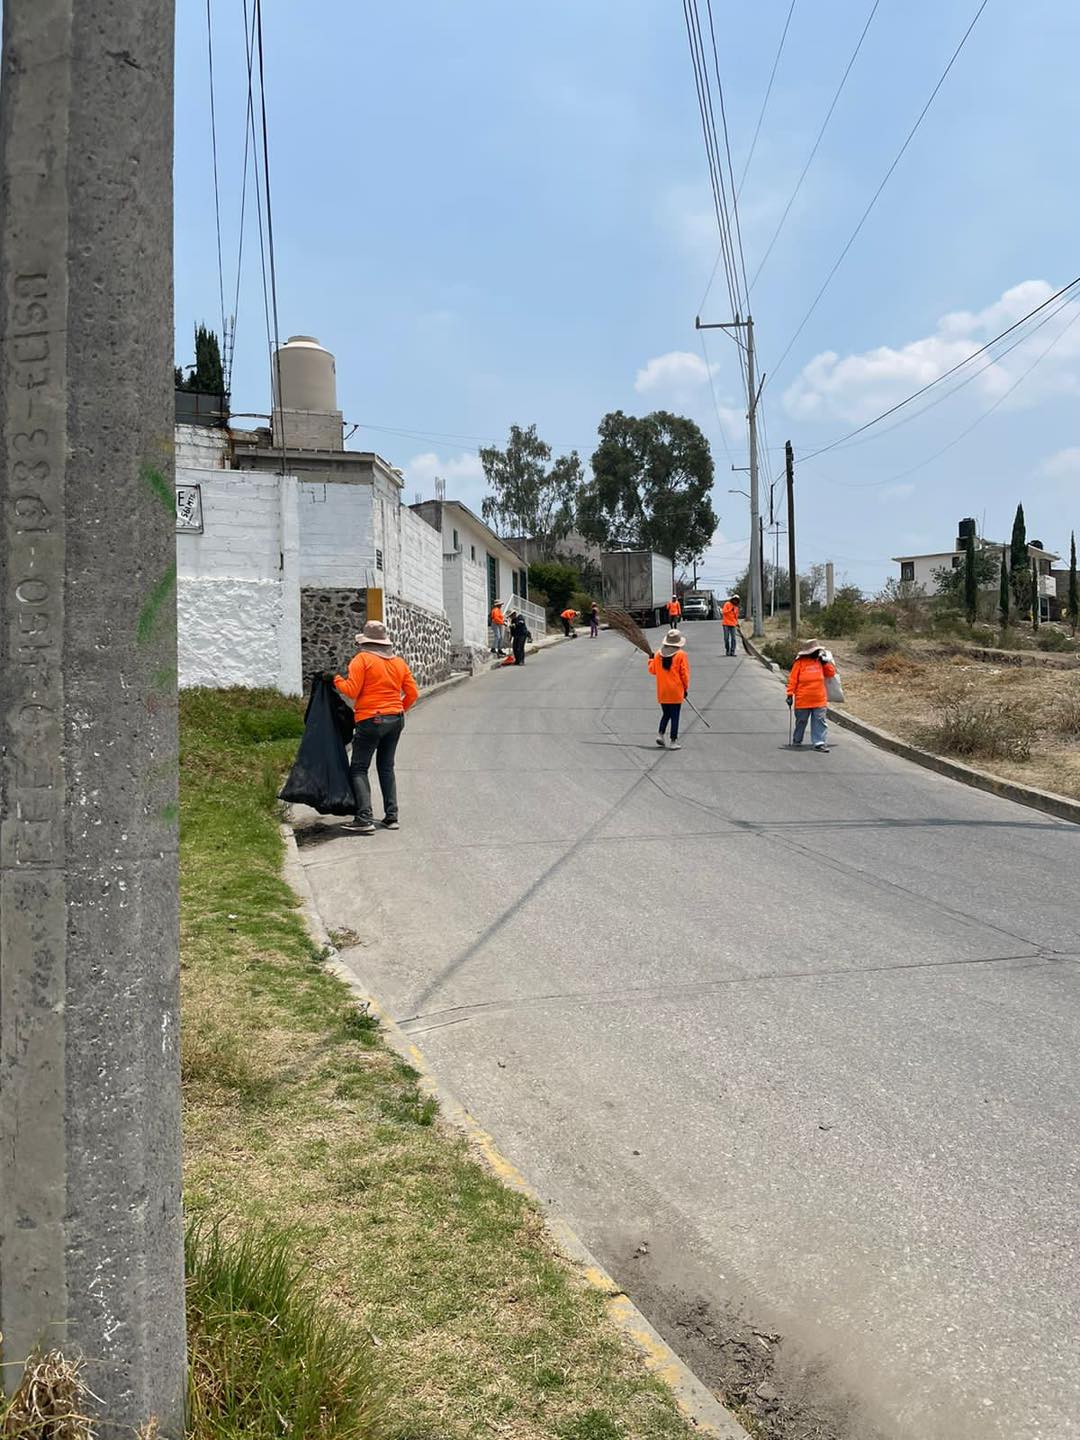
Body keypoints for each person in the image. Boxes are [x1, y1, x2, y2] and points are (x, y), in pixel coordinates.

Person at [333, 621, 419, 834]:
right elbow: (413, 693)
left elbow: (351, 691)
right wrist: (399, 709)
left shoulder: (361, 660)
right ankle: (391, 816)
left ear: (364, 643)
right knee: (386, 767)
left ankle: (364, 818)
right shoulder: (399, 663)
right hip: (396, 718)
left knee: (359, 768)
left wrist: (334, 680)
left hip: (372, 719)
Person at [786, 638, 837, 753]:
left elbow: (831, 673)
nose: (818, 653)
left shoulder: (821, 662)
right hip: (803, 699)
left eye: (818, 651)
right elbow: (793, 679)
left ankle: (819, 743)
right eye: (816, 651)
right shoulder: (799, 663)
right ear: (809, 653)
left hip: (819, 698)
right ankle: (797, 740)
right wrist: (789, 694)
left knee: (820, 720)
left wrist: (826, 663)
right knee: (801, 721)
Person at [647, 630, 690, 750]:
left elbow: (652, 670)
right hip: (676, 691)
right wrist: (685, 688)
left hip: (663, 691)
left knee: (666, 714)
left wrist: (650, 659)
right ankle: (673, 741)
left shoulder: (657, 655)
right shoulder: (681, 655)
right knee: (675, 715)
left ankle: (660, 734)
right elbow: (684, 674)